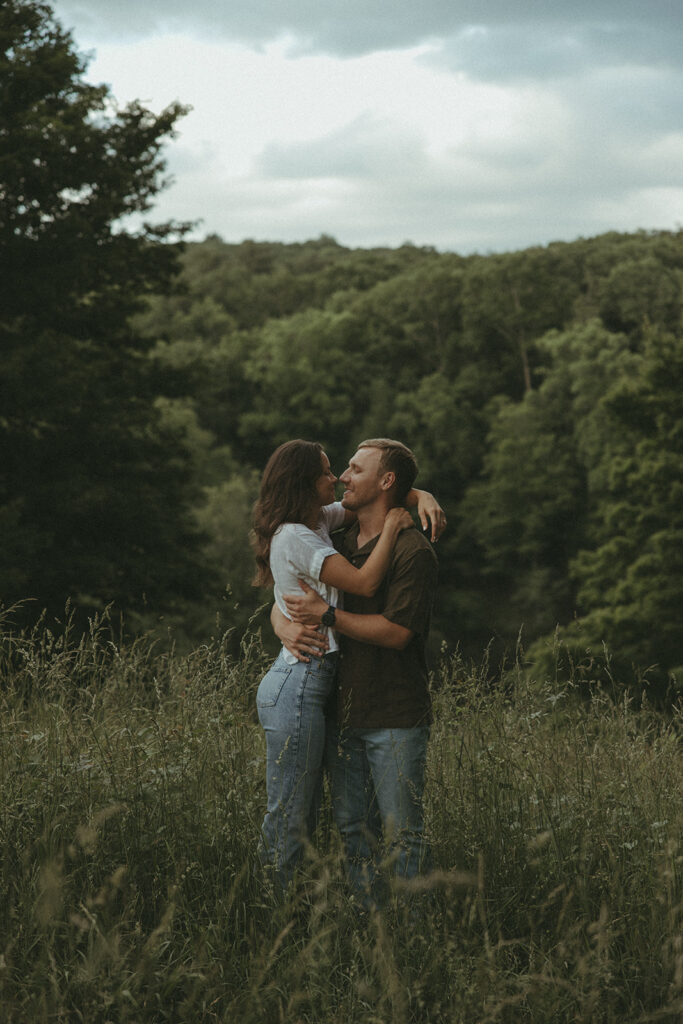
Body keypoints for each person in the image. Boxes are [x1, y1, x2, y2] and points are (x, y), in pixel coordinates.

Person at [252, 438, 443, 889]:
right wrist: (282, 620)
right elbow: (307, 590)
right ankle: (302, 922)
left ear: (385, 481)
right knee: (321, 824)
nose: (340, 477)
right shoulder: (321, 533)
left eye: (353, 470)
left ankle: (405, 934)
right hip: (322, 698)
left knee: (395, 834)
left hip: (383, 708)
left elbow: (396, 633)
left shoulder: (395, 545)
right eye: (332, 471)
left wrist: (417, 497)